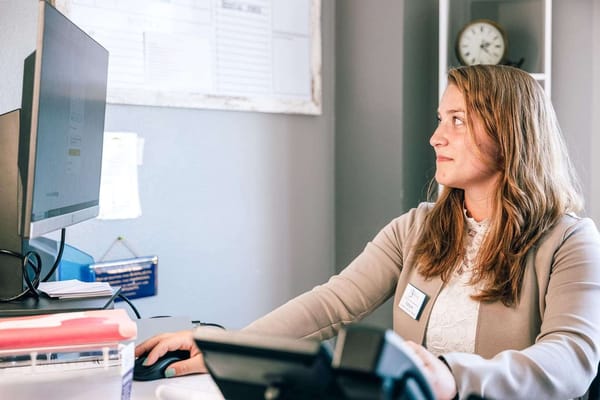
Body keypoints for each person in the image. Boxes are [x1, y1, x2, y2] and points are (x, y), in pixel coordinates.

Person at [135, 65, 600, 399]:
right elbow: (332, 304)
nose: (436, 137)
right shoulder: (416, 229)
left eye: (457, 120)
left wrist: (453, 376)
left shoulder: (569, 242)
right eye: (440, 119)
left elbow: (572, 356)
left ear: (511, 133)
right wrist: (227, 345)